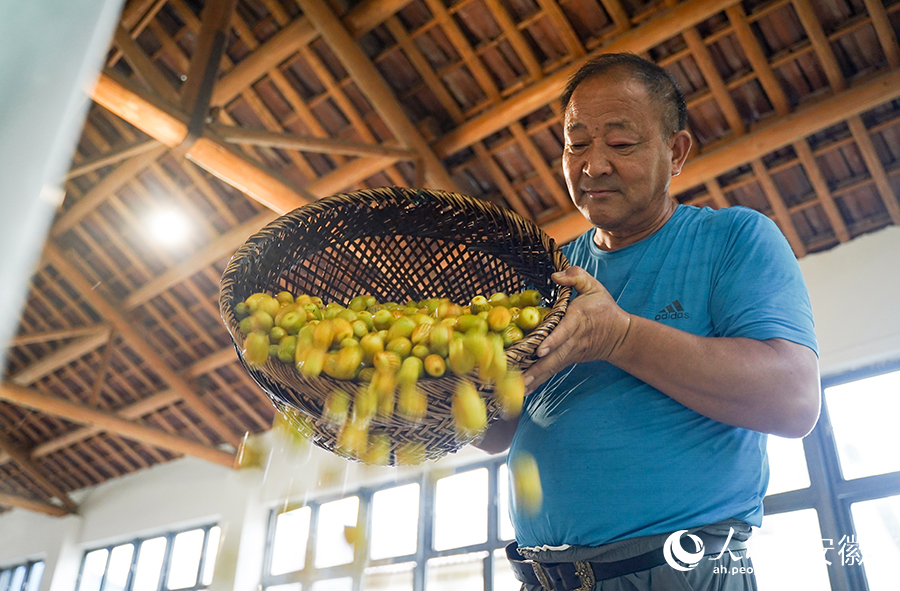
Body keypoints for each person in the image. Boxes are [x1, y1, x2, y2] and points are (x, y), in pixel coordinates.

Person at [474, 53, 820, 591]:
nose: (593, 165)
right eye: (577, 143)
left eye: (620, 143)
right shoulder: (547, 273)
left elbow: (794, 400)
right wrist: (443, 399)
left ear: (676, 151)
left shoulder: (733, 238)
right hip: (541, 578)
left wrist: (620, 336)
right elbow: (500, 431)